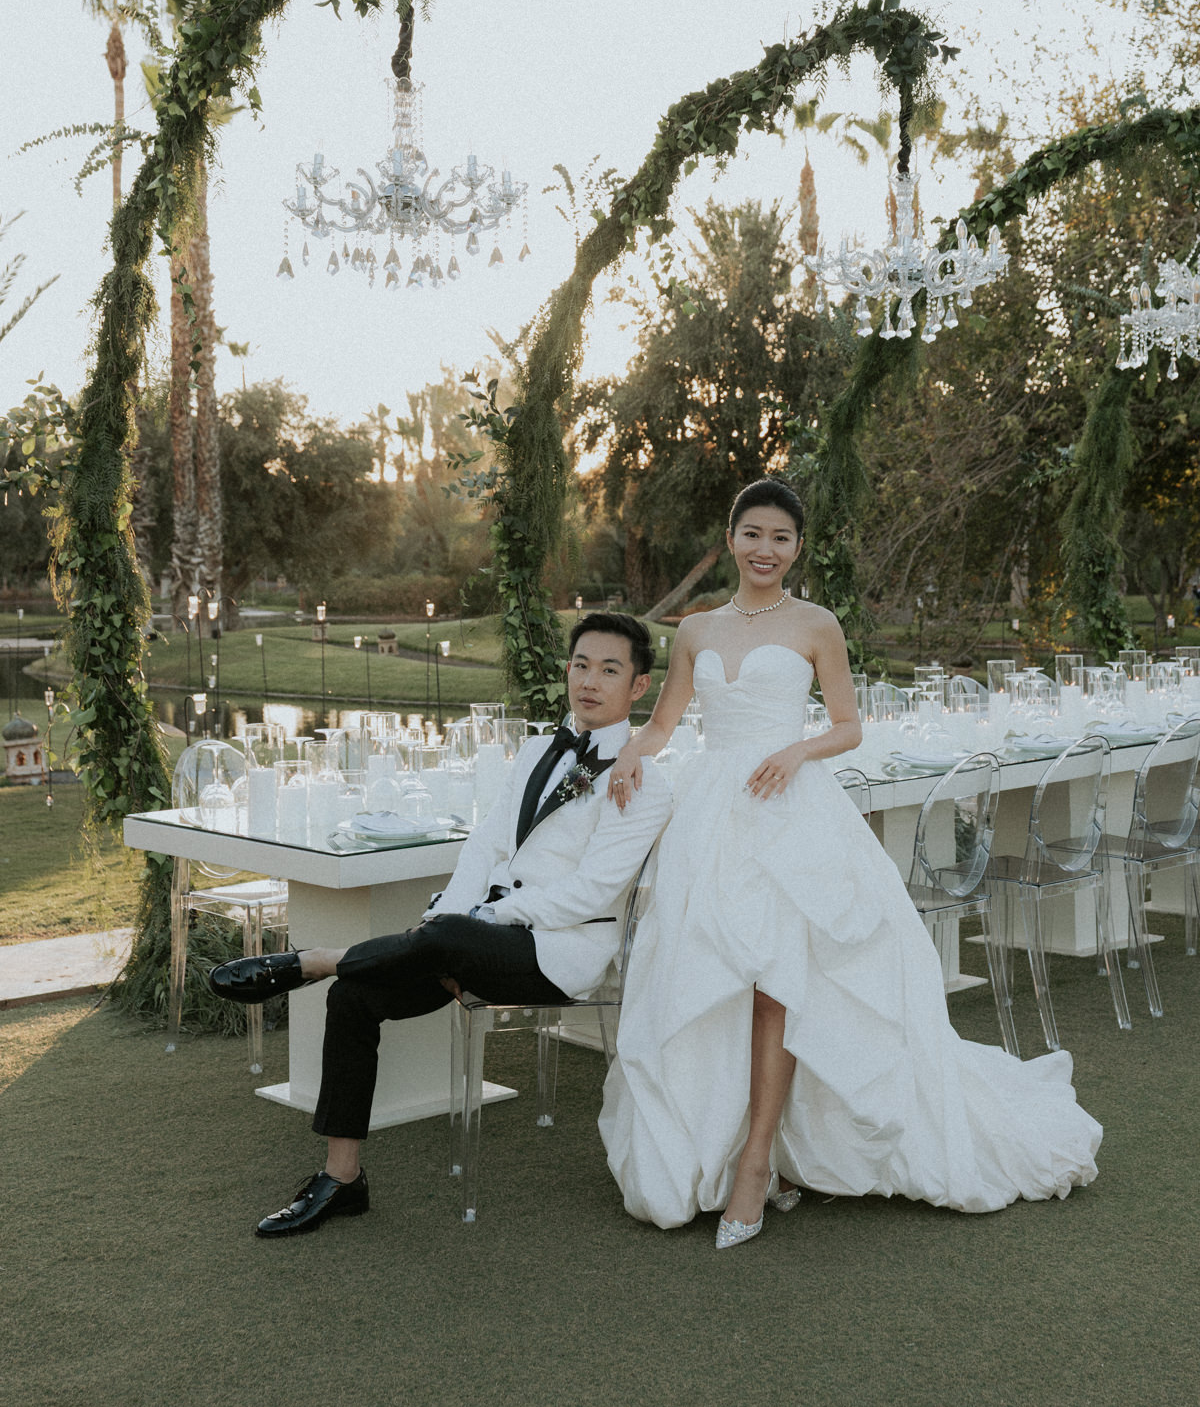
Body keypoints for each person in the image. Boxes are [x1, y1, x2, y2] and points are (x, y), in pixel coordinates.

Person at [598, 478, 1101, 1246]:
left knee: (778, 983)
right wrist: (633, 753)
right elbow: (666, 722)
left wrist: (796, 750)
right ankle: (728, 1147)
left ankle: (759, 1163)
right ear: (731, 537)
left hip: (790, 810)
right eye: (754, 534)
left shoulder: (815, 623)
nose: (766, 549)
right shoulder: (696, 631)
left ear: (798, 548)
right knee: (715, 981)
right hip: (713, 822)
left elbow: (848, 726)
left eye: (782, 538)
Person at [211, 612, 672, 1238]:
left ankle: (311, 961)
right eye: (581, 665)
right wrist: (450, 914)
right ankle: (342, 1178)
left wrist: (477, 921)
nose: (590, 681)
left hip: (556, 954)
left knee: (445, 938)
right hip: (475, 937)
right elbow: (484, 847)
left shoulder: (643, 782)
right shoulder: (538, 748)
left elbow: (591, 892)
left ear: (638, 687)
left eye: (610, 670)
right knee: (355, 995)